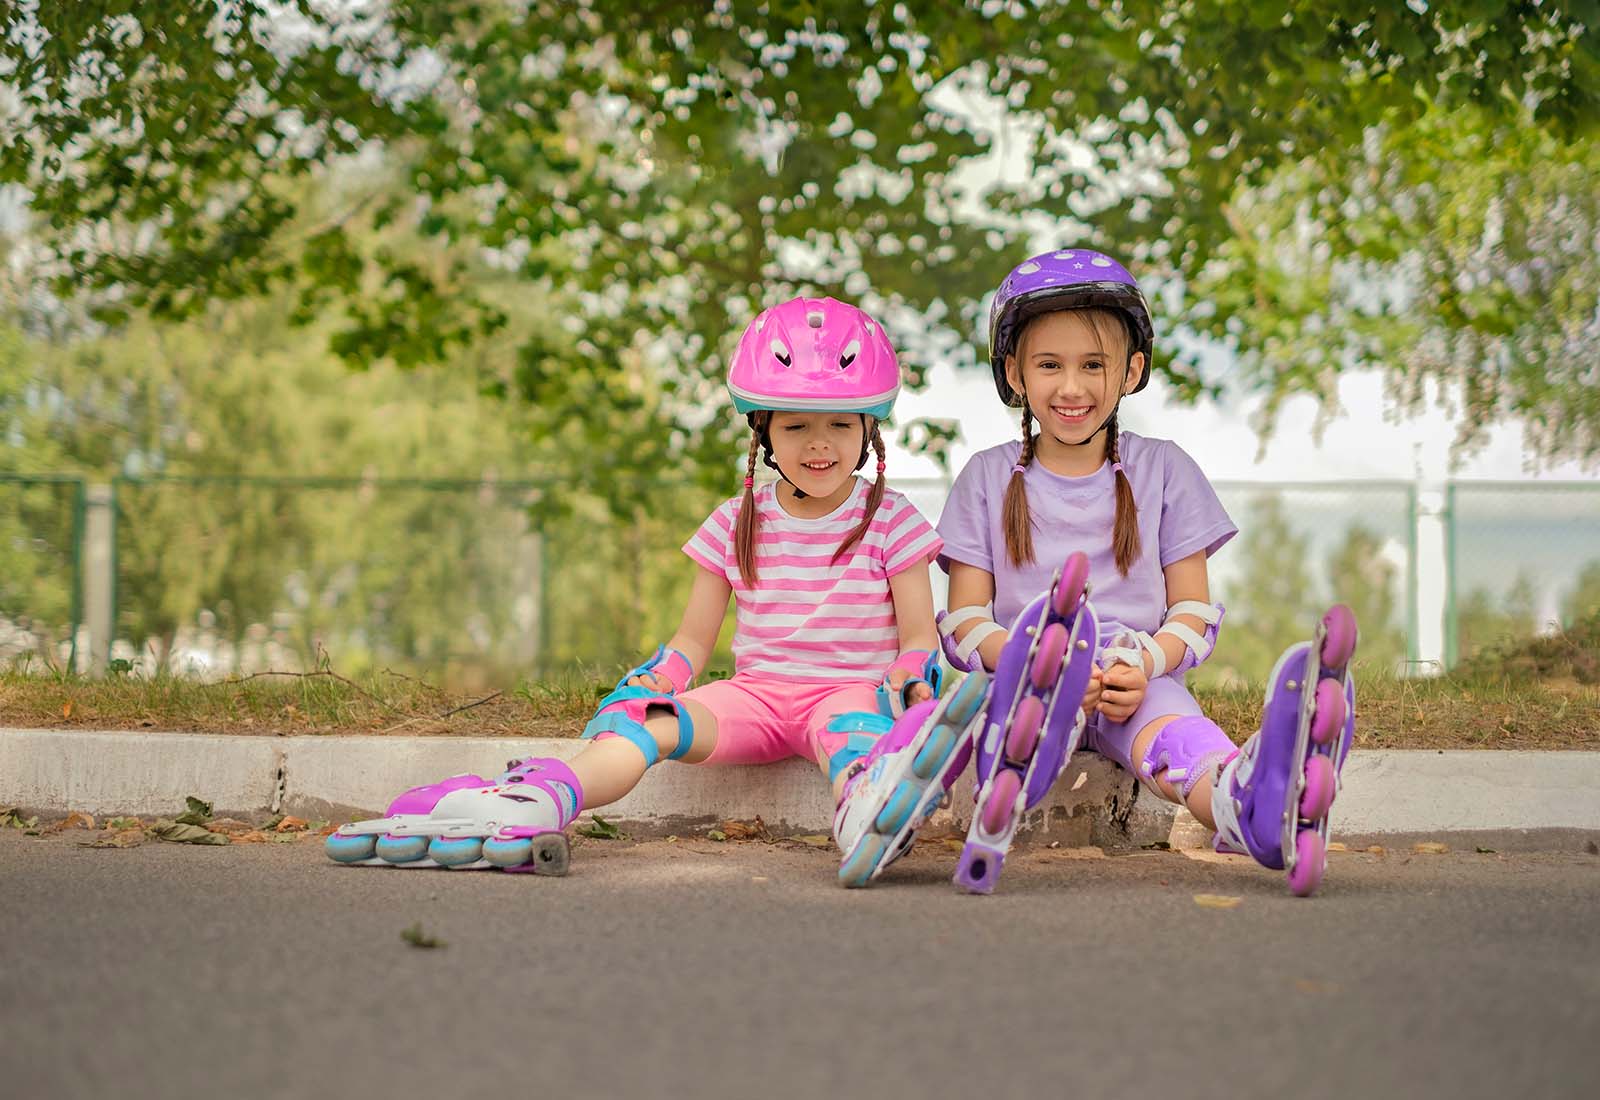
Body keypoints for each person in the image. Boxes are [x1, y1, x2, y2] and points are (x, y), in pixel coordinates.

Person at [327, 296, 989, 886]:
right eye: (795, 426)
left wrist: (912, 680)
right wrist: (652, 680)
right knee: (652, 724)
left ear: (869, 429)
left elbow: (917, 636)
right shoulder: (736, 520)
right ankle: (540, 797)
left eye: (840, 425)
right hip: (754, 699)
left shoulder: (892, 519)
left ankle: (872, 807)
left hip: (845, 693)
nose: (820, 444)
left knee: (853, 734)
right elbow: (694, 639)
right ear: (762, 431)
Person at [935, 249, 1358, 896]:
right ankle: (1015, 759)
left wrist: (1146, 665)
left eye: (1093, 365)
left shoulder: (1165, 470)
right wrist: (1043, 662)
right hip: (1032, 680)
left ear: (1131, 370)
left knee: (1180, 746)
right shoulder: (986, 479)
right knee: (1027, 709)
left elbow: (1193, 612)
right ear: (1014, 372)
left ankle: (1249, 802)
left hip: (1137, 676)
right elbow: (965, 621)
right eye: (1049, 365)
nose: (1071, 387)